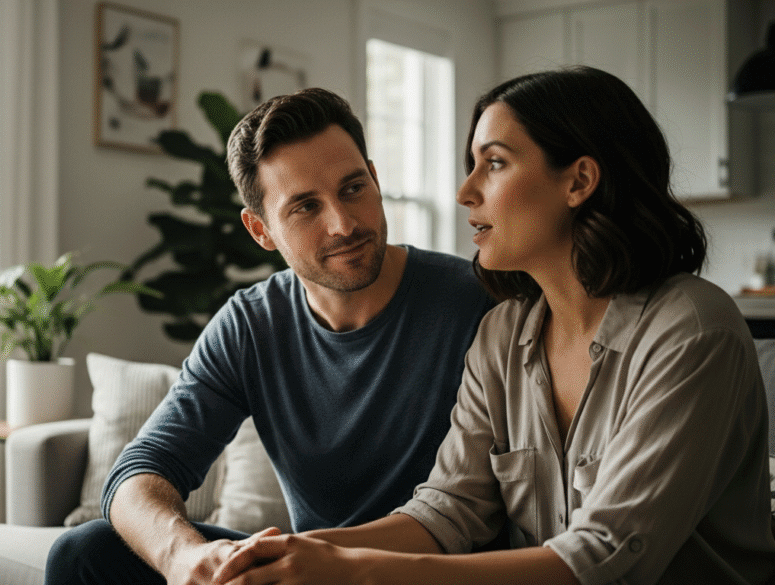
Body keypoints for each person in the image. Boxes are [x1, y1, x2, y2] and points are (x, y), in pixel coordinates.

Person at [213, 66, 775, 585]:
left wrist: (356, 571)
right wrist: (295, 555)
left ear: (578, 181)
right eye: (472, 165)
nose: (466, 191)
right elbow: (449, 510)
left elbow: (606, 555)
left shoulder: (693, 330)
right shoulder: (503, 334)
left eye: (496, 163)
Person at [43, 88, 496, 584]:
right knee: (84, 553)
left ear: (375, 179)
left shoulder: (477, 302)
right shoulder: (250, 325)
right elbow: (142, 469)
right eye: (305, 207)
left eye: (352, 188)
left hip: (426, 573)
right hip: (302, 571)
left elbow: (476, 510)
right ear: (260, 230)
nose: (344, 224)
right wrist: (185, 559)